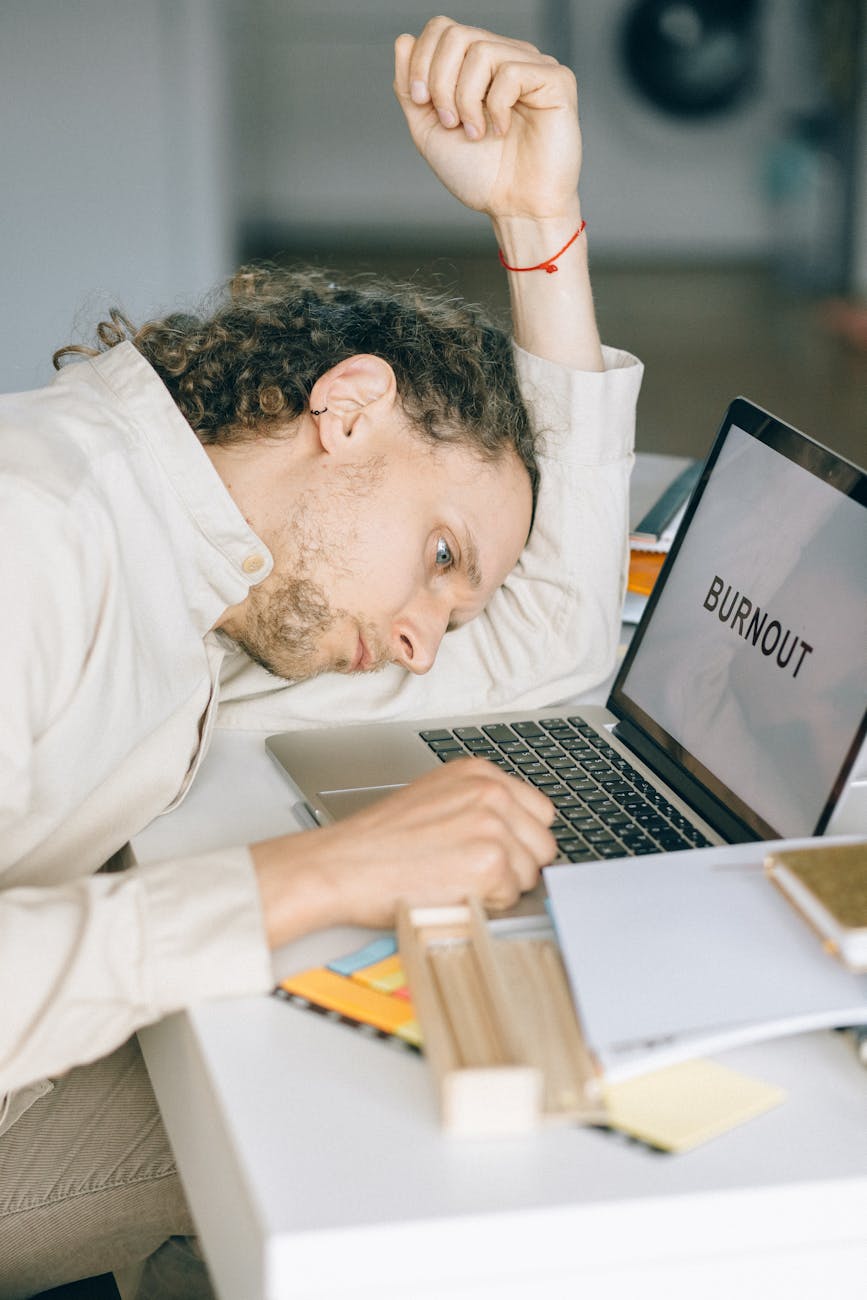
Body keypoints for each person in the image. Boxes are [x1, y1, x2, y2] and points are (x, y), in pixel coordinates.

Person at [0, 16, 642, 1298]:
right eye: (443, 556)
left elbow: (552, 645)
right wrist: (314, 872)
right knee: (433, 1138)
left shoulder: (201, 571)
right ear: (347, 409)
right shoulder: (43, 536)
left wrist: (539, 222)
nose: (418, 637)